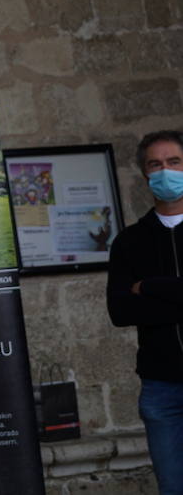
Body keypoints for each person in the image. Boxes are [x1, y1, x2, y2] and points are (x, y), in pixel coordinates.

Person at [107, 130, 183, 495]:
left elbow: (138, 299)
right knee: (172, 486)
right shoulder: (129, 242)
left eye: (174, 162)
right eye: (156, 164)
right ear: (145, 175)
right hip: (161, 386)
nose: (165, 171)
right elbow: (120, 311)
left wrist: (150, 287)